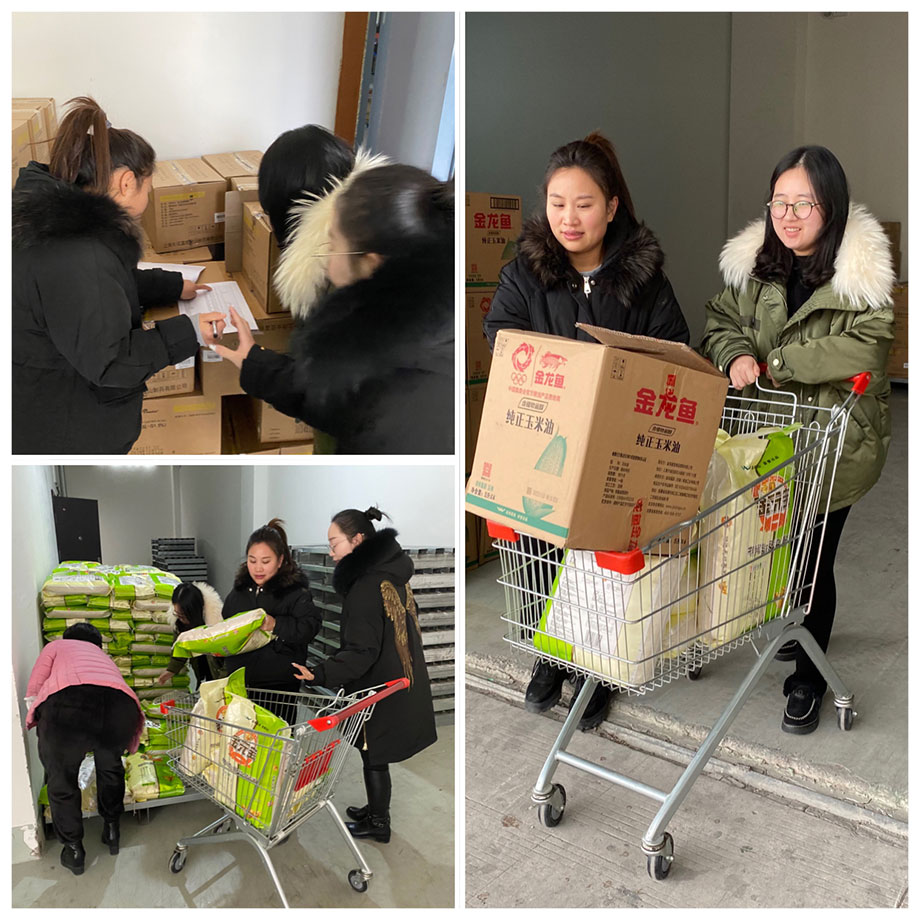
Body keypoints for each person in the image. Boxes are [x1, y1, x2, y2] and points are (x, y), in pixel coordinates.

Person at [483, 132, 691, 730]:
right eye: (557, 203)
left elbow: (673, 350)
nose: (568, 219)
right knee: (535, 551)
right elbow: (502, 334)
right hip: (544, 441)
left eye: (584, 204)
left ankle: (595, 668)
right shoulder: (525, 272)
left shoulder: (644, 277)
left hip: (615, 447)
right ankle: (549, 656)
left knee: (598, 560)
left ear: (612, 206)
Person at [700, 145, 895, 734]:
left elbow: (868, 348)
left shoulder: (861, 277)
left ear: (830, 207)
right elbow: (719, 322)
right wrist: (735, 355)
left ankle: (809, 678)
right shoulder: (756, 269)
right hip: (768, 441)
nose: (788, 216)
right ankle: (795, 623)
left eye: (803, 204)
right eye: (779, 202)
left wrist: (779, 360)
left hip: (837, 446)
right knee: (774, 545)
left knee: (813, 558)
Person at [12, 96, 226, 454]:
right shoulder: (78, 251)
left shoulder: (55, 223)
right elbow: (111, 361)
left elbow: (101, 288)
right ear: (127, 183)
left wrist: (172, 286)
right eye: (148, 187)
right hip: (66, 424)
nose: (148, 198)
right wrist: (189, 331)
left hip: (44, 393)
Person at [214, 150, 454, 454]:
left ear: (372, 265)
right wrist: (254, 361)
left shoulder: (409, 415)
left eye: (334, 242)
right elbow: (340, 400)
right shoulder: (403, 329)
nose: (326, 257)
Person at [292, 507, 437, 844]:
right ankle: (374, 809)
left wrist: (319, 674)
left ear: (357, 540)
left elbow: (361, 651)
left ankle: (379, 822)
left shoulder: (365, 587)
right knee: (372, 752)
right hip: (398, 678)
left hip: (379, 687)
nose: (331, 552)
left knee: (373, 754)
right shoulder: (392, 573)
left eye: (335, 544)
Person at [25, 622, 145, 875]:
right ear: (97, 644)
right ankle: (112, 829)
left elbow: (34, 688)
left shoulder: (57, 646)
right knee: (110, 767)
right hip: (119, 704)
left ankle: (73, 850)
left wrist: (41, 720)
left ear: (67, 637)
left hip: (67, 706)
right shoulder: (103, 657)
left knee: (62, 778)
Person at [220, 519, 322, 717]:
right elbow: (227, 622)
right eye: (252, 561)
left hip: (277, 686)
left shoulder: (294, 592)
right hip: (241, 683)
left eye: (265, 562)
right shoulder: (239, 592)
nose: (258, 568)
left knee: (277, 734)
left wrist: (276, 624)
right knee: (242, 734)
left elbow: (309, 627)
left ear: (280, 560)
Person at [157, 581, 225, 686]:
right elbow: (181, 648)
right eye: (177, 614)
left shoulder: (218, 626)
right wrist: (171, 670)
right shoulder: (179, 623)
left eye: (183, 616)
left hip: (221, 676)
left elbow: (229, 661)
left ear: (194, 611)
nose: (180, 619)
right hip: (205, 673)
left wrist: (221, 683)